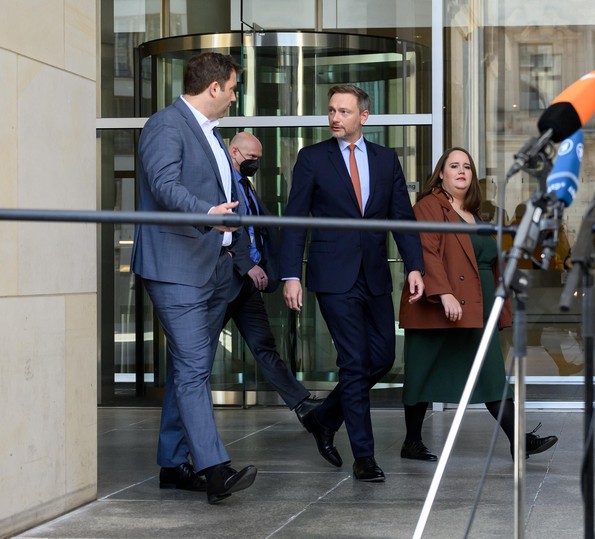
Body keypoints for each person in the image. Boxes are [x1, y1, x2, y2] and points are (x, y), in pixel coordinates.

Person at [279, 84, 425, 483]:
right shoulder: (312, 159)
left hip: (375, 274)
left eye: (343, 111)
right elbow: (295, 221)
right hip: (333, 276)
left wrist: (415, 266)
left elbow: (402, 218)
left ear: (364, 116)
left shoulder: (384, 160)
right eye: (331, 111)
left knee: (380, 358)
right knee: (355, 363)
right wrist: (291, 274)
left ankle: (324, 418)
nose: (334, 118)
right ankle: (365, 457)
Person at [130, 52, 257, 504]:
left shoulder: (212, 134)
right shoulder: (166, 125)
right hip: (176, 266)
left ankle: (173, 463)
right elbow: (163, 185)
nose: (235, 95)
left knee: (190, 368)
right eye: (234, 87)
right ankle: (214, 469)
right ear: (214, 87)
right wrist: (206, 213)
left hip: (211, 267)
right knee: (193, 367)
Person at [398, 147, 558, 461]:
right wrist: (443, 293)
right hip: (439, 305)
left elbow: (490, 260)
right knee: (421, 370)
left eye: (467, 167)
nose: (461, 171)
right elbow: (427, 252)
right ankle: (411, 442)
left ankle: (518, 440)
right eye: (453, 166)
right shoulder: (429, 207)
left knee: (490, 373)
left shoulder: (476, 213)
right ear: (440, 174)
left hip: (478, 303)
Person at [224, 131, 320, 421]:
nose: (255, 163)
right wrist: (246, 264)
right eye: (251, 158)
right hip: (226, 282)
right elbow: (229, 228)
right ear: (234, 152)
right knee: (198, 357)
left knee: (264, 346)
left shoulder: (246, 184)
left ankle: (302, 404)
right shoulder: (222, 181)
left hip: (248, 285)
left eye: (258, 159)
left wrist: (264, 264)